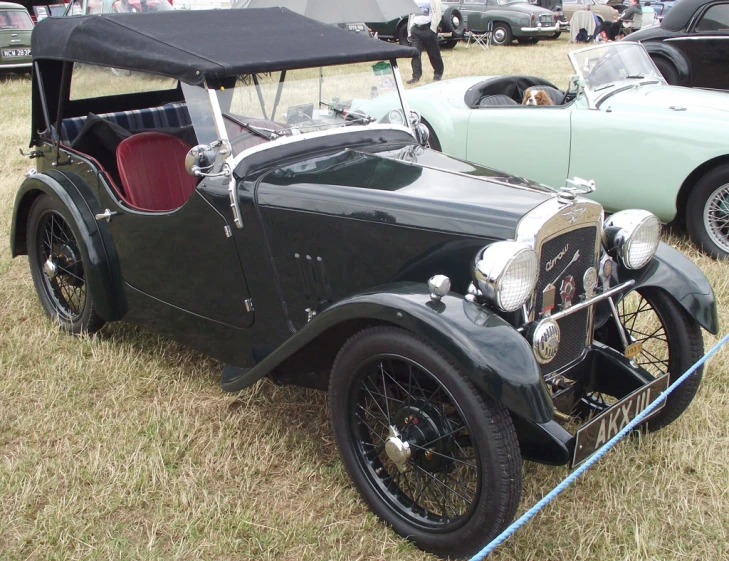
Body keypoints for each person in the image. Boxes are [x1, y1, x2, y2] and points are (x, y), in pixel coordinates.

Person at [406, 0, 444, 85]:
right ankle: (416, 76)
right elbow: (411, 15)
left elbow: (438, 13)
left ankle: (438, 73)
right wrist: (410, 31)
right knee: (415, 53)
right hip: (416, 29)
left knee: (434, 53)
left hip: (428, 28)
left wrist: (433, 28)